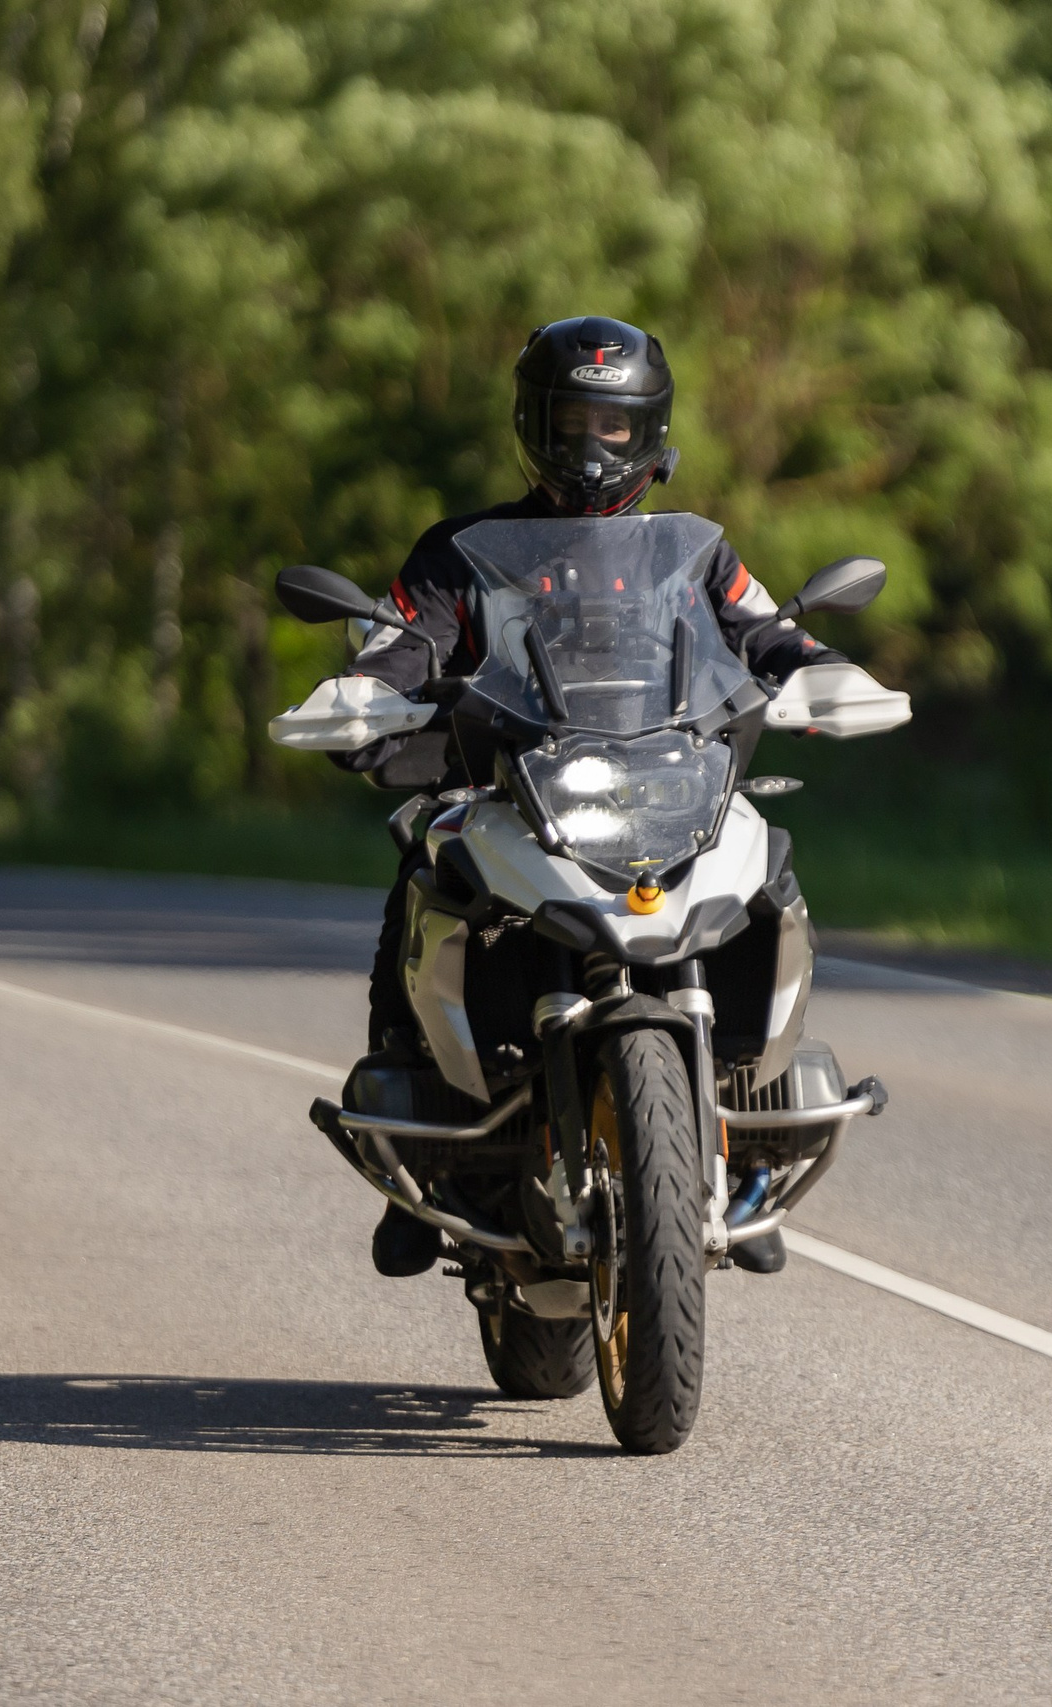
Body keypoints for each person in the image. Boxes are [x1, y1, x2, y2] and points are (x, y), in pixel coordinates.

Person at [334, 314, 839, 1277]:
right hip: (510, 788)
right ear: (535, 423)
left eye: (613, 425)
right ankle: (416, 1139)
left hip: (668, 780)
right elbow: (400, 645)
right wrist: (365, 696)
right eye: (572, 422)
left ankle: (751, 1130)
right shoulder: (464, 550)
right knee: (424, 863)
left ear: (648, 429)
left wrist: (825, 671)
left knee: (764, 863)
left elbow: (768, 631)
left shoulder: (693, 554)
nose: (592, 447)